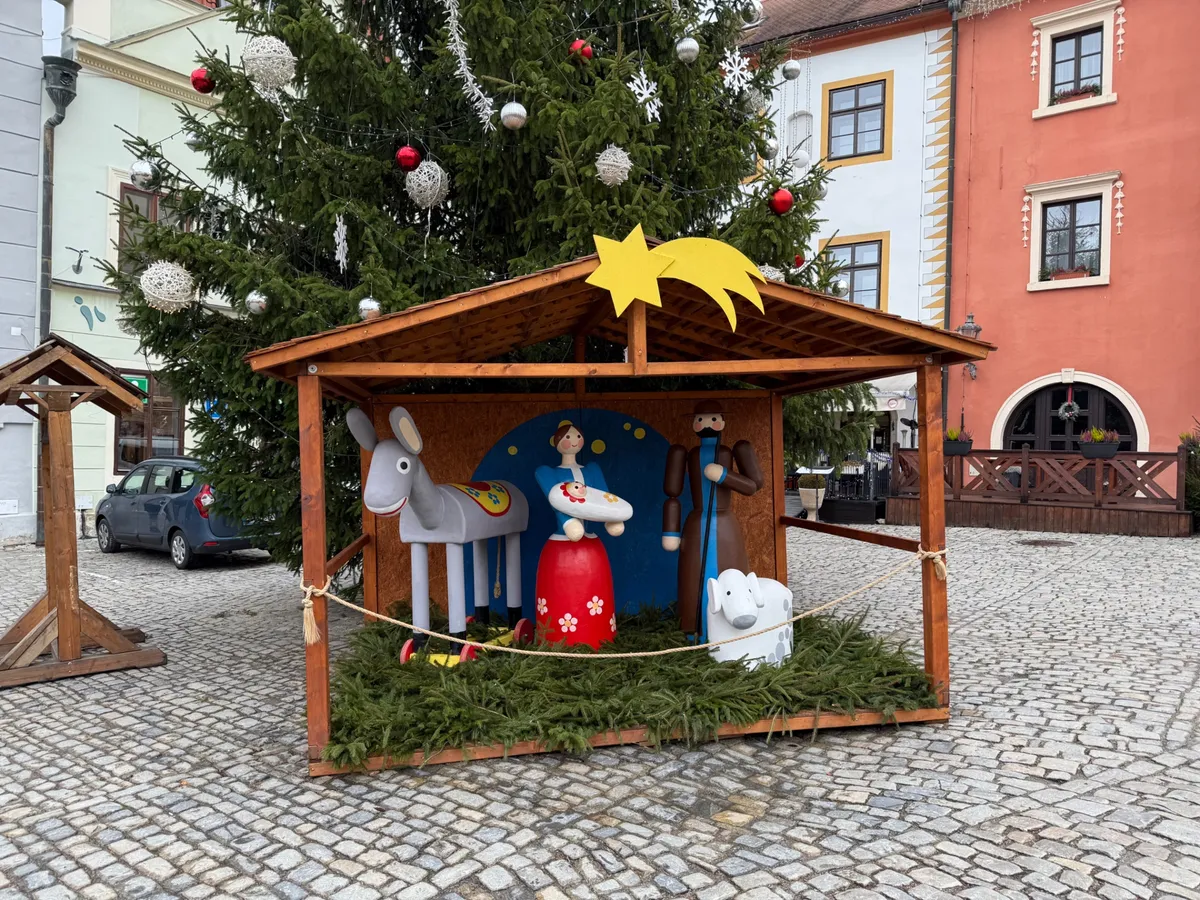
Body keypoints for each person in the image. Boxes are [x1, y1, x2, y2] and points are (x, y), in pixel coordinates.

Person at [662, 400, 763, 641]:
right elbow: (672, 493)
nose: (707, 424)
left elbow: (752, 486)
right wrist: (671, 531)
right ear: (694, 425)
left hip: (726, 525)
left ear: (723, 423)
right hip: (696, 523)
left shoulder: (729, 453)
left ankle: (735, 622)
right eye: (701, 420)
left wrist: (724, 475)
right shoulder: (688, 454)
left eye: (713, 419)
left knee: (730, 572)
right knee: (693, 576)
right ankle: (692, 627)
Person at [533, 422, 631, 648]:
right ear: (557, 443)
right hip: (561, 541)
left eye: (577, 435)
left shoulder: (592, 470)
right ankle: (555, 639)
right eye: (568, 436)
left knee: (594, 596)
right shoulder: (548, 473)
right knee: (562, 598)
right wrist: (567, 521)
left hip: (591, 540)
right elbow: (556, 501)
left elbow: (603, 497)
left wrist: (612, 518)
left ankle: (600, 636)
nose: (574, 440)